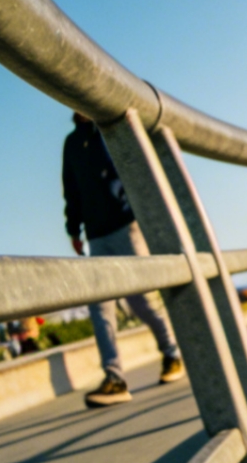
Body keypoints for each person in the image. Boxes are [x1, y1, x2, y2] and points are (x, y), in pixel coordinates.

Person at [61, 113, 185, 406]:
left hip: (126, 226)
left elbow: (137, 169)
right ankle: (114, 378)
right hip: (96, 234)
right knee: (99, 304)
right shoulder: (72, 143)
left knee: (139, 298)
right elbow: (71, 188)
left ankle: (172, 354)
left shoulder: (110, 128)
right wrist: (73, 228)